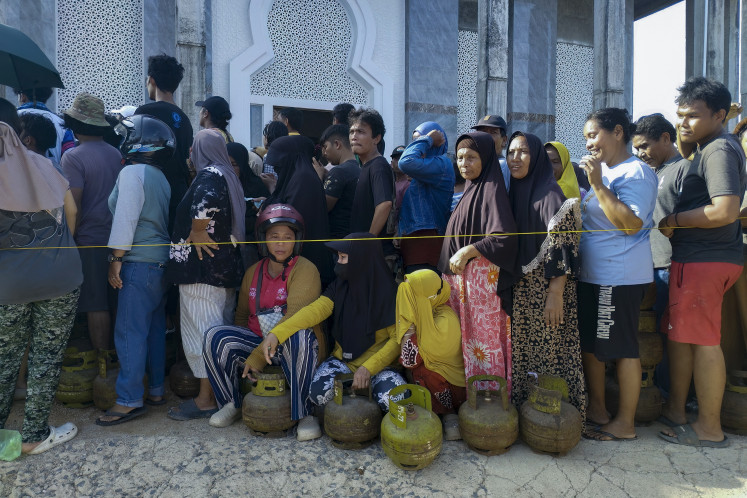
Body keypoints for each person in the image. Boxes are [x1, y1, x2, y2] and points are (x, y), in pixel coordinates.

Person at [658, 78, 746, 448]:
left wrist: (674, 221)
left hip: (705, 261)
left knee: (706, 343)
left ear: (720, 115)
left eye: (693, 116)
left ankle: (709, 428)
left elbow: (725, 210)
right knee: (686, 339)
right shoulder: (706, 147)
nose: (684, 123)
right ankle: (678, 412)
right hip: (699, 260)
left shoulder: (719, 150)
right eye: (680, 115)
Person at [203, 205, 326, 440]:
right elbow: (241, 317)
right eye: (274, 237)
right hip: (260, 339)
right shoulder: (253, 272)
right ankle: (232, 403)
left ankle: (306, 413)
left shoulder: (306, 269)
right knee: (215, 336)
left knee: (300, 335)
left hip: (293, 344)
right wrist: (247, 349)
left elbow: (296, 318)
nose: (280, 244)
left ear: (297, 241)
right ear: (263, 241)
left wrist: (258, 356)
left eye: (287, 238)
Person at [0, 120, 81, 454]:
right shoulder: (45, 163)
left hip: (8, 285)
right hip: (60, 276)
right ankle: (34, 436)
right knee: (46, 355)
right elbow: (72, 210)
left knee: (4, 357)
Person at [577, 108, 657, 442]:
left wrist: (596, 184)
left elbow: (631, 224)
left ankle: (625, 423)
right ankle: (598, 409)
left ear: (618, 132)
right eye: (585, 138)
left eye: (593, 135)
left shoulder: (635, 172)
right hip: (593, 274)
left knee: (622, 349)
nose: (589, 144)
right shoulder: (606, 171)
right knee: (592, 347)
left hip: (619, 276)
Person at [268, 233, 406, 414]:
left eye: (343, 257)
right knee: (318, 394)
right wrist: (277, 333)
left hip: (381, 367)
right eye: (338, 257)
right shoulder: (338, 287)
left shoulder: (391, 294)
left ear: (361, 259)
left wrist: (367, 369)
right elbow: (314, 311)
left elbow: (397, 341)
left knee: (394, 401)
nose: (338, 263)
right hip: (344, 362)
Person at [95, 115, 175, 426]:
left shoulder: (132, 173)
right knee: (153, 330)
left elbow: (126, 218)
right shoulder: (160, 176)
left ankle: (128, 399)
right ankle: (155, 390)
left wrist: (116, 258)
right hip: (158, 263)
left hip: (137, 263)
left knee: (129, 332)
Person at [505, 131, 586, 420]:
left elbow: (564, 248)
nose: (515, 158)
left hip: (546, 292)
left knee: (549, 350)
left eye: (523, 152)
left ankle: (554, 419)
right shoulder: (516, 192)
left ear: (536, 157)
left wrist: (555, 294)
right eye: (511, 152)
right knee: (526, 353)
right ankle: (527, 415)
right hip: (523, 293)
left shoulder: (553, 197)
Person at [166, 129, 245, 421]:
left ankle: (205, 400)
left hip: (201, 272)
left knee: (202, 334)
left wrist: (197, 230)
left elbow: (206, 201)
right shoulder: (227, 173)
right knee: (216, 330)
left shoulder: (210, 174)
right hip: (219, 269)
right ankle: (220, 396)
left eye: (192, 148)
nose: (189, 154)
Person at [438, 131, 518, 390]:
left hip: (480, 284)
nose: (464, 163)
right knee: (468, 341)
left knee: (483, 342)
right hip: (465, 284)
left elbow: (503, 236)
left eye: (471, 157)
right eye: (460, 157)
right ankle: (472, 396)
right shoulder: (472, 189)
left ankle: (490, 400)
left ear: (485, 159)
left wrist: (467, 251)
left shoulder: (492, 190)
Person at [61, 93, 124, 353]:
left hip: (89, 241)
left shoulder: (73, 158)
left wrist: (68, 241)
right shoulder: (117, 155)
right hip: (119, 240)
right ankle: (118, 360)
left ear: (76, 125)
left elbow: (72, 206)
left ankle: (102, 366)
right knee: (116, 302)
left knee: (96, 304)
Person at [631, 115, 689, 333]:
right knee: (647, 334)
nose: (640, 153)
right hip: (645, 267)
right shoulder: (651, 172)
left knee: (667, 333)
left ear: (666, 138)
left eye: (644, 146)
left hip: (669, 265)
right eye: (636, 148)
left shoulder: (684, 169)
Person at [396, 269, 466, 438]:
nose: (408, 302)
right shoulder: (430, 312)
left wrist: (408, 331)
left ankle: (448, 414)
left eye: (412, 296)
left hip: (452, 388)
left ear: (426, 297)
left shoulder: (445, 322)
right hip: (442, 384)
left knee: (424, 370)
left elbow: (408, 359)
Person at [263, 135, 334, 285]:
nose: (277, 169)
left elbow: (288, 219)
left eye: (279, 165)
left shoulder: (303, 180)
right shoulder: (298, 177)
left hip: (304, 265)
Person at [135, 54, 194, 230]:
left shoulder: (144, 112)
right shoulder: (185, 119)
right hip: (179, 192)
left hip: (151, 192)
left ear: (151, 80)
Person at [397, 122, 454, 274]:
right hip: (414, 246)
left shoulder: (443, 164)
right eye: (415, 142)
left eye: (422, 141)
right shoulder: (420, 176)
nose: (418, 146)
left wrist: (427, 139)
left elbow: (405, 162)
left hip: (426, 246)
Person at [349, 108, 395, 258]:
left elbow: (384, 204)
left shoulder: (378, 166)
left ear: (376, 138)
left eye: (361, 132)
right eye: (352, 132)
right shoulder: (365, 166)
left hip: (374, 253)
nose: (354, 137)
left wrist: (368, 240)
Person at [227, 142, 271, 267]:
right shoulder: (219, 184)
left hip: (249, 246)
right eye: (226, 164)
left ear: (242, 164)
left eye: (235, 165)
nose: (230, 169)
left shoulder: (256, 185)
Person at [15, 86, 75, 169]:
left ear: (22, 96)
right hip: (54, 177)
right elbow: (70, 158)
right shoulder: (62, 124)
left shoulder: (10, 118)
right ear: (46, 97)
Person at [319, 124, 359, 240]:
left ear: (337, 144)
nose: (323, 153)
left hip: (337, 241)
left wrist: (317, 177)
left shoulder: (338, 172)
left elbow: (321, 208)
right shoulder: (360, 169)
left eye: (325, 147)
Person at [471, 114, 511, 192]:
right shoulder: (474, 164)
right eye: (482, 132)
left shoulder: (501, 166)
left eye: (493, 132)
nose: (486, 137)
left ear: (504, 140)